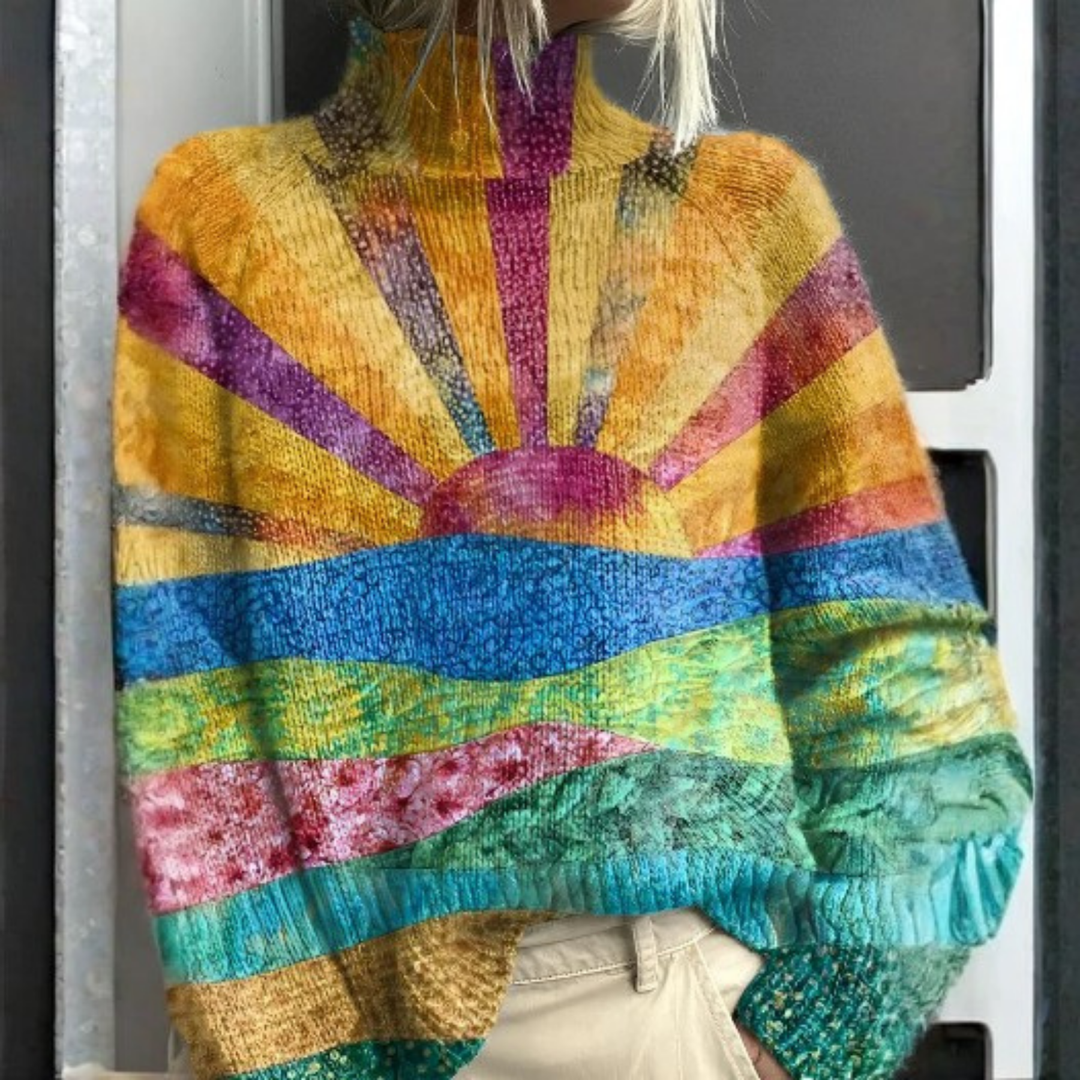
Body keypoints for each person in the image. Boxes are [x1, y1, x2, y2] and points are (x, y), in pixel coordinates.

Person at [111, 0, 1034, 1077]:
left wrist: (809, 1032)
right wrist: (286, 1054)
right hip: (325, 1020)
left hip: (658, 1007)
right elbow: (189, 706)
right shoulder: (226, 215)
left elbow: (909, 676)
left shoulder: (747, 215)